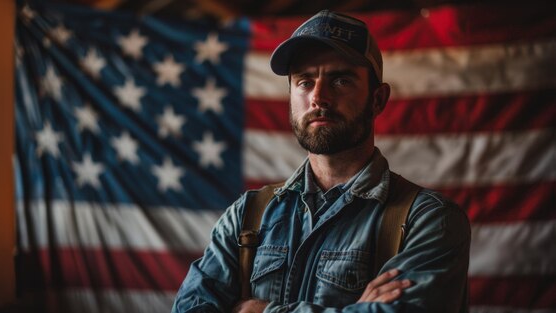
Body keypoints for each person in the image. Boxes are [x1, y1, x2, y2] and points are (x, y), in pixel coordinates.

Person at [172, 10, 470, 313]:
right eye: (304, 82)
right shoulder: (247, 216)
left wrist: (258, 310)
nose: (319, 97)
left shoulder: (429, 221)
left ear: (378, 99)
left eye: (340, 80)